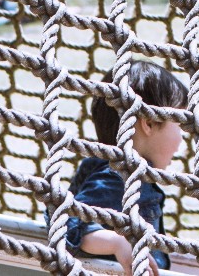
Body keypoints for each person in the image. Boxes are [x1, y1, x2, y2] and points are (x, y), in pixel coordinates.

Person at [66, 61, 189, 273]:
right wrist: (117, 243)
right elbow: (75, 226)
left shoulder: (116, 169)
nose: (181, 140)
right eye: (178, 125)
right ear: (148, 124)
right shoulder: (119, 176)